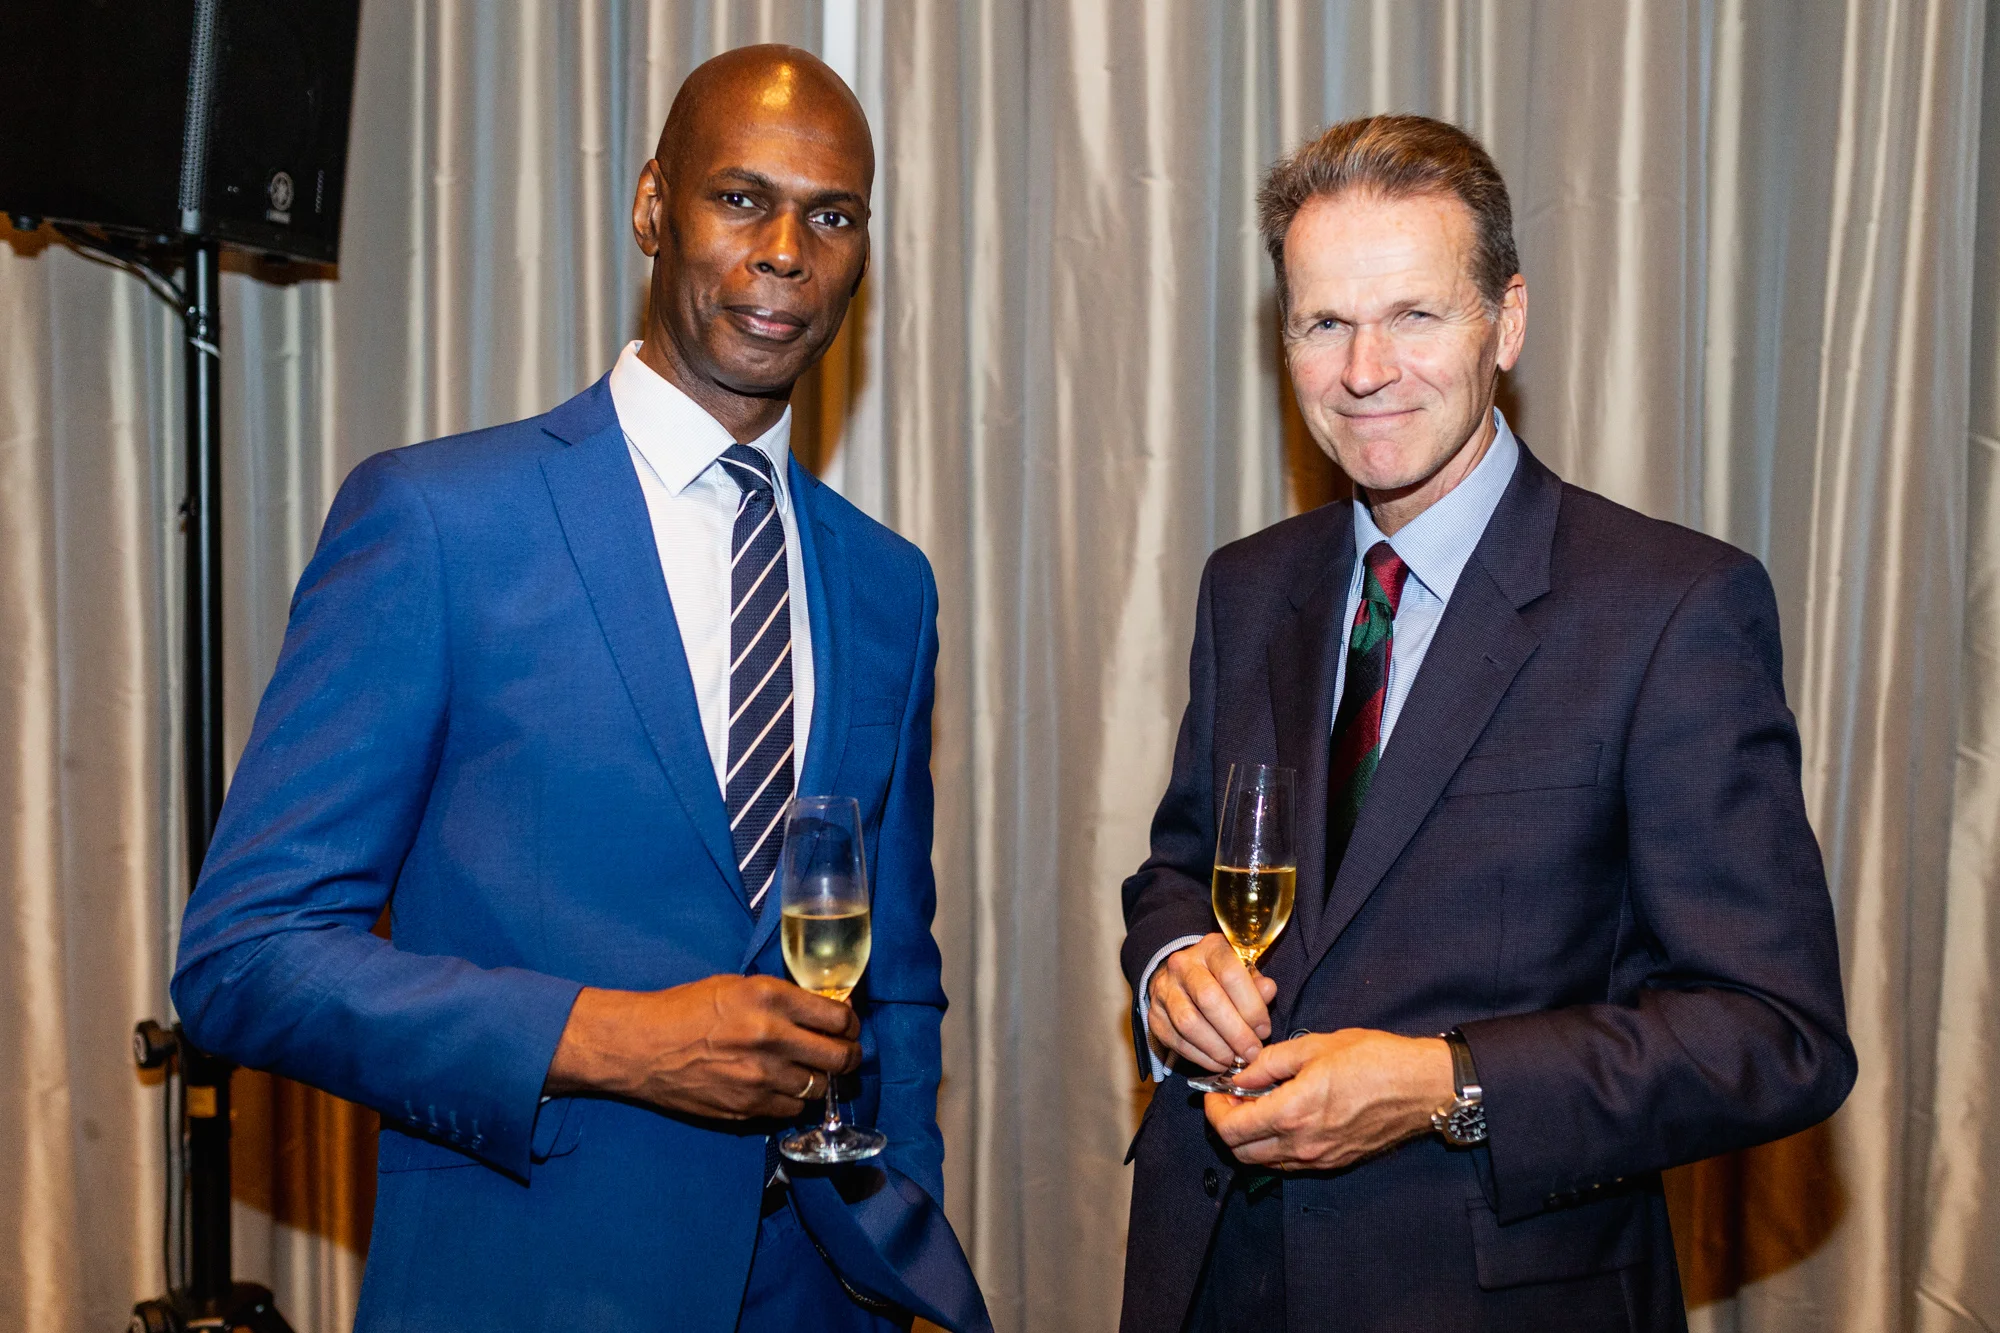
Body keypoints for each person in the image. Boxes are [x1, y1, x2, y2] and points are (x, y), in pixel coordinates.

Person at [172, 45, 987, 1333]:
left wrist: (904, 1245)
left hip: (824, 1297)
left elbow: (896, 979)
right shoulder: (439, 522)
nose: (786, 251)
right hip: (528, 1286)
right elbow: (245, 959)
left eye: (832, 217)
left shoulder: (889, 585)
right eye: (741, 199)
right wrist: (612, 1039)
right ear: (653, 205)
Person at [1119, 114, 1855, 1332]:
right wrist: (1170, 965)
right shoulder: (1246, 587)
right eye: (1322, 323)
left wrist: (1443, 1083)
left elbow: (1775, 1036)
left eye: (1413, 314)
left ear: (1504, 323)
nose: (1364, 370)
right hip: (1213, 1280)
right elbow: (1182, 865)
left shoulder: (1670, 609)